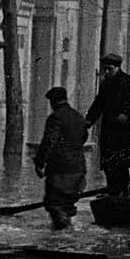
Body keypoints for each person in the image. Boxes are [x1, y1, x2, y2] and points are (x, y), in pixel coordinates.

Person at [86, 52, 130, 197]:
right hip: (108, 131)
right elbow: (98, 105)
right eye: (104, 69)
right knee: (109, 163)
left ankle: (123, 192)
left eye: (109, 69)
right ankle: (113, 190)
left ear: (118, 67)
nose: (106, 72)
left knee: (123, 163)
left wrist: (127, 115)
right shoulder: (106, 85)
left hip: (125, 133)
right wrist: (88, 120)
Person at [32, 85, 89, 230]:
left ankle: (61, 238)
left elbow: (48, 142)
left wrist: (39, 163)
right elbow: (83, 138)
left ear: (52, 102)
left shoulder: (55, 117)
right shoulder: (78, 116)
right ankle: (66, 238)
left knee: (54, 203)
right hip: (79, 170)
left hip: (61, 170)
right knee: (67, 205)